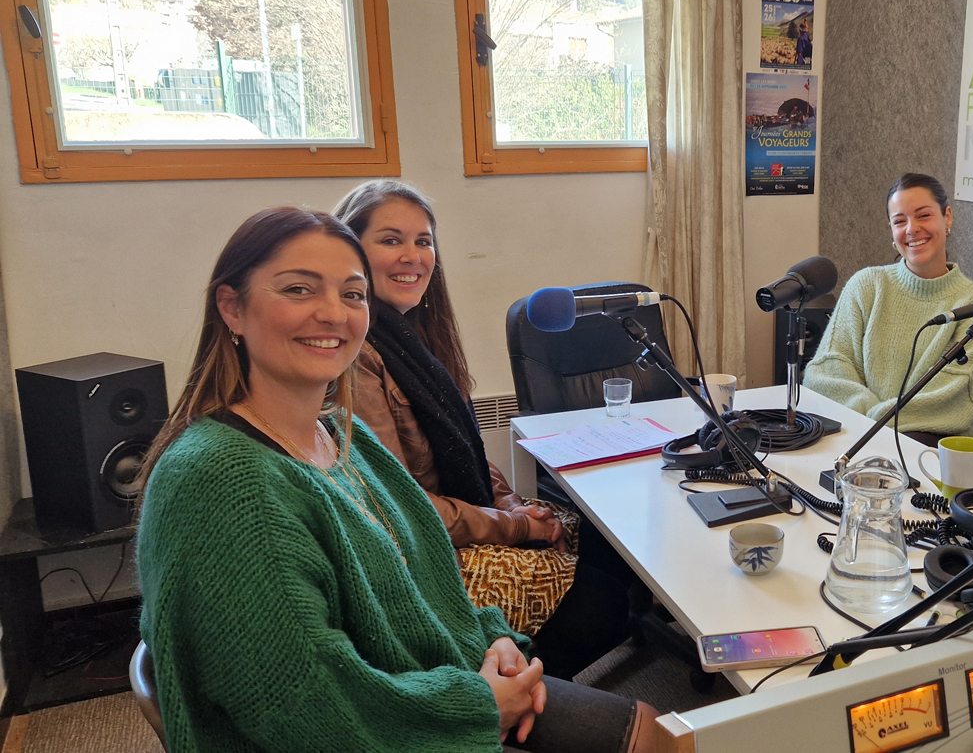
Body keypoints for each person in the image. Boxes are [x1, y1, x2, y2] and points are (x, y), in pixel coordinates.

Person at [135, 207, 657, 752]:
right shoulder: (219, 479)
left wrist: (493, 638)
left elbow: (426, 576)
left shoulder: (338, 434)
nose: (333, 313)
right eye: (299, 289)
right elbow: (306, 712)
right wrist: (479, 706)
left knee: (659, 731)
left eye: (353, 294)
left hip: (428, 684)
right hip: (380, 727)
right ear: (232, 309)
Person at [332, 180, 633, 682]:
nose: (412, 256)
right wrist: (517, 527)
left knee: (609, 536)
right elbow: (400, 505)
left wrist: (513, 505)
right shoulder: (357, 356)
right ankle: (497, 703)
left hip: (458, 518)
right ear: (351, 251)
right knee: (601, 602)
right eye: (390, 240)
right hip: (419, 555)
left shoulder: (416, 338)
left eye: (423, 241)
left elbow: (466, 447)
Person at [803, 173, 973, 447]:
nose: (912, 229)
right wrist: (871, 420)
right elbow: (825, 372)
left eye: (923, 215)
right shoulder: (866, 285)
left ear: (947, 217)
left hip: (928, 447)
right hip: (858, 436)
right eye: (900, 221)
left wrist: (875, 424)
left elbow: (949, 400)